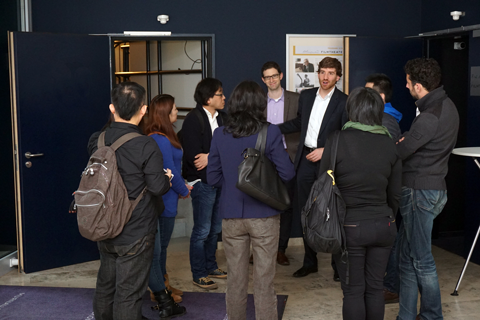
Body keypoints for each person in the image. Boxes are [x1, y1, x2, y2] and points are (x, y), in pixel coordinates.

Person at [90, 82, 182, 320]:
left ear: (112, 108)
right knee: (129, 293)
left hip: (104, 224)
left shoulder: (97, 140)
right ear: (143, 110)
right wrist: (167, 177)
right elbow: (157, 187)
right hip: (136, 228)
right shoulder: (145, 144)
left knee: (105, 285)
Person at [207, 80, 295, 320]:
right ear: (260, 105)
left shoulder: (219, 134)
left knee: (235, 280)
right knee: (264, 282)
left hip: (231, 215)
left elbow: (212, 177)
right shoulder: (270, 132)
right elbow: (287, 173)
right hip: (265, 215)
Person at [320, 87, 402, 320]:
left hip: (349, 227)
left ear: (351, 110)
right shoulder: (389, 142)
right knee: (375, 288)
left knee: (354, 291)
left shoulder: (337, 140)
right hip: (384, 225)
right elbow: (395, 193)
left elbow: (323, 183)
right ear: (378, 111)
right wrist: (388, 217)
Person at [396, 58, 459, 320]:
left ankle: (432, 315)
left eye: (409, 82)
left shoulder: (429, 116)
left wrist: (404, 140)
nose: (406, 85)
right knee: (408, 258)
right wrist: (409, 138)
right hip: (432, 190)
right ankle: (407, 315)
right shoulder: (446, 105)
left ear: (419, 86)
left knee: (421, 260)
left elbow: (401, 150)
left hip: (419, 192)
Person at [279, 57, 348, 279]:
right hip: (305, 160)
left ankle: (338, 267)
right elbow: (300, 123)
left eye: (330, 73)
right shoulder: (307, 96)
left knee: (334, 212)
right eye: (322, 72)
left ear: (338, 76)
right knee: (306, 211)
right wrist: (272, 129)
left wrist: (326, 150)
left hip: (329, 163)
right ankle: (310, 262)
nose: (325, 77)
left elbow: (347, 135)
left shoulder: (345, 101)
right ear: (317, 74)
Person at [143, 94, 192, 306]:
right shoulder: (159, 138)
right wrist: (184, 189)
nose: (176, 112)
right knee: (159, 249)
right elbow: (169, 169)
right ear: (165, 113)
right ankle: (159, 290)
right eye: (173, 109)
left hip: (169, 197)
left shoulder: (164, 136)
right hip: (164, 199)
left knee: (162, 248)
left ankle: (163, 285)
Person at [182, 78, 227, 290]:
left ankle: (211, 267)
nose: (224, 97)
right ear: (209, 98)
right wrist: (212, 157)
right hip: (202, 182)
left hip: (219, 180)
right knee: (202, 230)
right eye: (220, 94)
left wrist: (211, 156)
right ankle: (198, 273)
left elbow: (228, 147)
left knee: (215, 228)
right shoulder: (193, 119)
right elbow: (194, 157)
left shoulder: (223, 118)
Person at [364, 73, 403, 303]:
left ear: (379, 96)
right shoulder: (380, 117)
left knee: (392, 242)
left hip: (384, 193)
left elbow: (385, 159)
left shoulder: (386, 122)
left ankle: (391, 287)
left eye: (368, 92)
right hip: (382, 192)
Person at [259, 61, 300, 265]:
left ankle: (280, 249)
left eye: (274, 75)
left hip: (288, 157)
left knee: (287, 205)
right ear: (263, 80)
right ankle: (261, 248)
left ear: (281, 76)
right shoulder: (258, 101)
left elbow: (302, 124)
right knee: (262, 203)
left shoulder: (295, 99)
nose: (272, 80)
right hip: (264, 160)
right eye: (267, 77)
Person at [365, 73, 402, 140]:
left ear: (381, 97)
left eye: (369, 93)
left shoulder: (387, 122)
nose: (364, 96)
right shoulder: (379, 116)